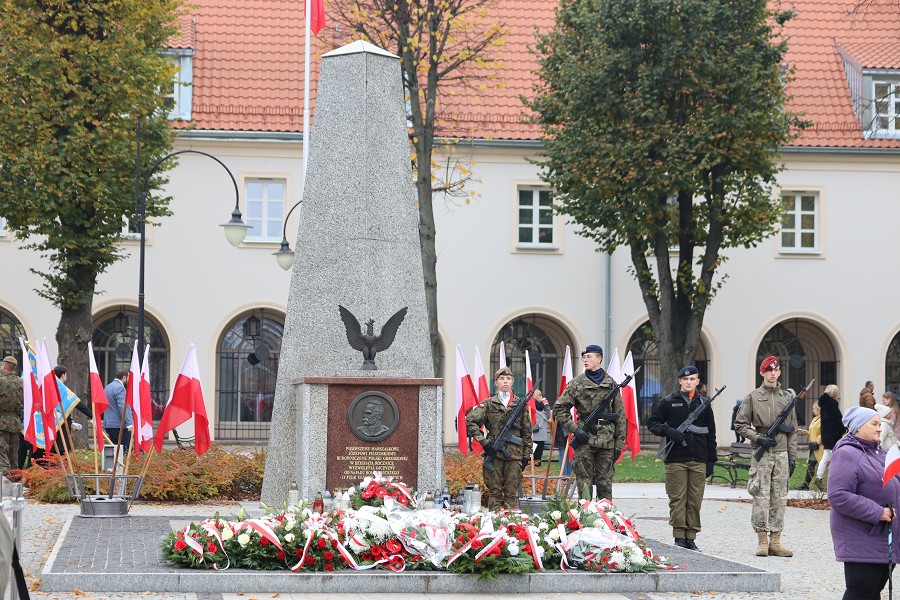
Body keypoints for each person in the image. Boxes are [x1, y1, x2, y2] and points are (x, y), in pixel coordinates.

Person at [828, 406, 900, 600]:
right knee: (860, 593)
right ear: (858, 427)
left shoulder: (880, 453)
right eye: (874, 424)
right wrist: (878, 512)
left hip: (884, 537)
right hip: (862, 537)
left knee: (872, 592)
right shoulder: (847, 453)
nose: (879, 428)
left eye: (880, 424)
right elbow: (838, 495)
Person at [646, 365, 717, 552]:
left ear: (697, 381)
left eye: (692, 379)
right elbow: (652, 423)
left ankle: (691, 537)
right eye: (685, 379)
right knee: (677, 499)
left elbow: (711, 433)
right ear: (679, 381)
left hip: (699, 459)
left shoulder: (704, 403)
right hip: (675, 459)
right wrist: (669, 431)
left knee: (695, 500)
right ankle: (679, 536)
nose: (688, 382)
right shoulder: (668, 401)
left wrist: (711, 460)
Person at [734, 355, 797, 558]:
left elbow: (793, 430)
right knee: (760, 496)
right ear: (762, 373)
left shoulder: (787, 398)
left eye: (775, 370)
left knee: (779, 498)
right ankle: (762, 540)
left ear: (779, 372)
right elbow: (740, 424)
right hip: (762, 454)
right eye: (768, 370)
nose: (772, 373)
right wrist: (758, 438)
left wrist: (792, 456)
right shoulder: (752, 397)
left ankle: (776, 542)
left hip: (781, 454)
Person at [553, 344, 625, 501]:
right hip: (584, 439)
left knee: (605, 483)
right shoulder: (576, 383)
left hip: (607, 440)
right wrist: (575, 430)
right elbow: (559, 409)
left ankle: (605, 518)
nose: (585, 359)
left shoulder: (611, 384)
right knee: (584, 483)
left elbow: (619, 415)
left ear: (599, 359)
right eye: (584, 357)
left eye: (589, 356)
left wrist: (619, 444)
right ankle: (585, 518)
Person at [466, 367, 532, 510]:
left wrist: (526, 454)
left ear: (512, 381)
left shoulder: (519, 404)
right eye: (502, 379)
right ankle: (494, 525)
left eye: (508, 379)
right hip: (494, 454)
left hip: (514, 455)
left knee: (511, 492)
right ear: (496, 382)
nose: (505, 382)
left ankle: (512, 526)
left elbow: (527, 431)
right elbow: (471, 421)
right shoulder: (489, 403)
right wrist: (484, 442)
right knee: (494, 492)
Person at [816, 384, 845, 486]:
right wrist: (842, 429)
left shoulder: (824, 404)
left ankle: (819, 478)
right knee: (835, 459)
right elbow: (837, 420)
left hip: (827, 435)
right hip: (833, 436)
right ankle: (835, 480)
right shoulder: (832, 405)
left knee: (826, 458)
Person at [0, 356, 22, 475]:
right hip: (15, 421)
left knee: (2, 452)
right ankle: (14, 478)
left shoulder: (1, 381)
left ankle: (4, 480)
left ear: (4, 366)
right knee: (13, 454)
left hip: (2, 421)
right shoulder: (21, 382)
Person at [796, 400, 823, 490]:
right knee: (811, 464)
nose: (812, 410)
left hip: (820, 446)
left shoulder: (823, 419)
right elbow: (812, 432)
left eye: (814, 409)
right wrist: (806, 432)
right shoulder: (815, 418)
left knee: (818, 465)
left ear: (819, 409)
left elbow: (824, 432)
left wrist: (819, 440)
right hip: (813, 446)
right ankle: (806, 485)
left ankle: (817, 484)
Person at [103, 370, 132, 450]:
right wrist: (129, 423)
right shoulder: (120, 388)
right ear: (124, 377)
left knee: (115, 451)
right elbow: (123, 407)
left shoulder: (108, 387)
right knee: (125, 451)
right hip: (120, 425)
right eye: (128, 377)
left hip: (109, 424)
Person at [531, 389, 550, 466]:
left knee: (538, 459)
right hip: (534, 437)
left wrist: (546, 406)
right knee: (531, 458)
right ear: (535, 397)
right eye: (540, 395)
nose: (541, 397)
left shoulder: (543, 407)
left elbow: (549, 417)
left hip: (541, 437)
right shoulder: (532, 407)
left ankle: (537, 476)